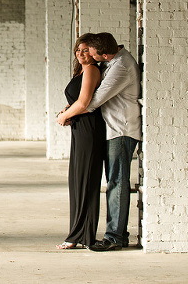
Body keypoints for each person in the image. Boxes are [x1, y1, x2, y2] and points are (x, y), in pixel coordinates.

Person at [83, 32, 141, 251]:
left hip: (122, 131)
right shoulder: (114, 61)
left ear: (105, 54)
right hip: (115, 130)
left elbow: (96, 100)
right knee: (115, 182)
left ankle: (115, 237)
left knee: (117, 182)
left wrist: (72, 111)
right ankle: (118, 233)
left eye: (95, 56)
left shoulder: (121, 67)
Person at [54, 33, 107, 250]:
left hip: (89, 130)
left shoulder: (92, 70)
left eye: (86, 50)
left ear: (94, 53)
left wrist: (64, 116)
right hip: (81, 129)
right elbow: (78, 102)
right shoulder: (82, 71)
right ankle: (81, 234)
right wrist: (68, 112)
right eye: (78, 50)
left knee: (85, 181)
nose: (81, 53)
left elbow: (84, 102)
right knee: (78, 181)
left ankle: (80, 235)